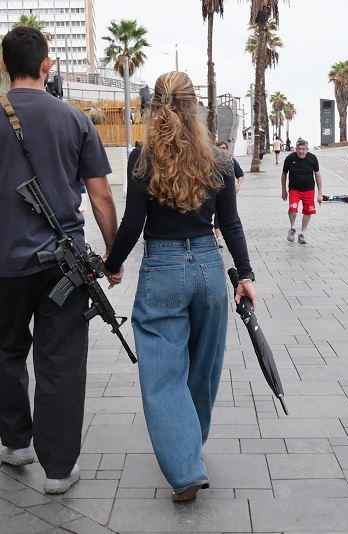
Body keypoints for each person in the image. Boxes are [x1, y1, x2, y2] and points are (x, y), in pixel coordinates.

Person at [0, 26, 119, 495]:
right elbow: (100, 195)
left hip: (6, 266)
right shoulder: (75, 119)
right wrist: (113, 254)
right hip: (66, 268)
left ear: (3, 66)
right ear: (47, 65)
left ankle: (17, 444)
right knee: (61, 362)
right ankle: (58, 470)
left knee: (9, 351)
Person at [103, 71, 256, 502]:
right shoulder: (219, 160)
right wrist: (245, 275)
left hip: (163, 268)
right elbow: (231, 223)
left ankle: (185, 466)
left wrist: (112, 265)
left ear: (155, 107)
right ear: (196, 108)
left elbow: (133, 224)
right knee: (204, 367)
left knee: (163, 373)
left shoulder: (143, 158)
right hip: (209, 267)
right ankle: (190, 448)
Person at [281, 138, 323, 244]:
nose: (301, 151)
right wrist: (284, 190)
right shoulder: (290, 158)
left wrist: (320, 193)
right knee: (292, 209)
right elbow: (284, 174)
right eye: (299, 149)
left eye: (303, 149)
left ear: (307, 149)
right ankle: (292, 227)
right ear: (296, 149)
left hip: (309, 190)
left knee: (308, 211)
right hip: (294, 189)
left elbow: (318, 176)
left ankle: (302, 233)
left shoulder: (312, 158)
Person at [213, 139, 245, 247]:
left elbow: (240, 175)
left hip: (227, 194)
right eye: (220, 148)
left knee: (227, 216)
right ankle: (218, 238)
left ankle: (222, 238)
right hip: (214, 192)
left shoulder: (231, 161)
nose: (222, 150)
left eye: (224, 148)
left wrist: (237, 186)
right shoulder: (211, 161)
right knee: (216, 215)